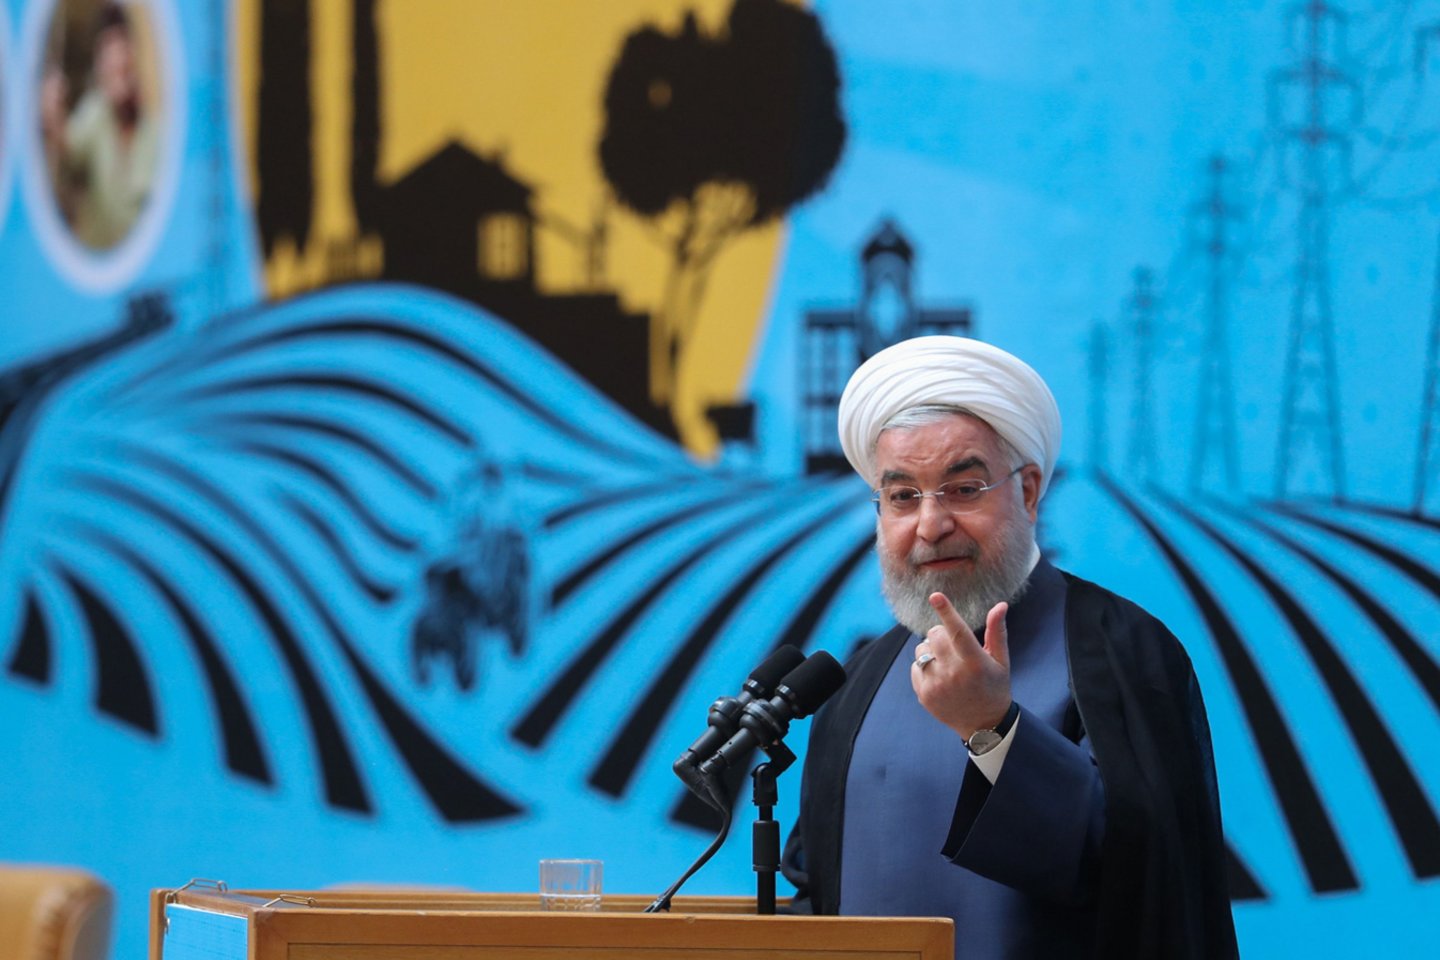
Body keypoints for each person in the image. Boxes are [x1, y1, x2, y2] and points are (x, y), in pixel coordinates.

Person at [780, 336, 1237, 958]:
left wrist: (992, 729)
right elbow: (819, 886)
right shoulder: (862, 676)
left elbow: (1146, 882)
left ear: (1027, 492)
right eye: (903, 497)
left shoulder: (1120, 649)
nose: (931, 524)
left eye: (963, 489)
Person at [40, 2, 159, 250]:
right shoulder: (96, 113)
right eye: (109, 53)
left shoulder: (156, 129)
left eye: (124, 54)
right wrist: (53, 119)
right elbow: (68, 148)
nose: (118, 62)